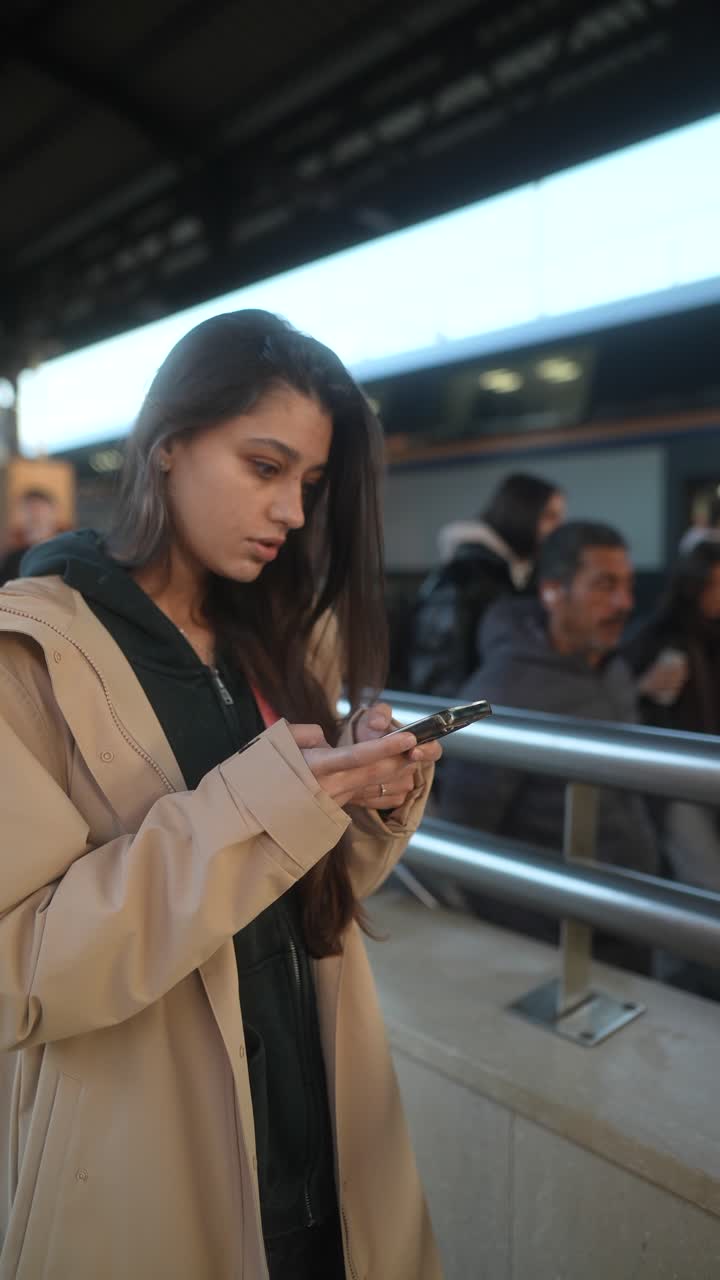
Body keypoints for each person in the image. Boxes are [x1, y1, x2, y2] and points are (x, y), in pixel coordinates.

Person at [0, 311, 443, 1280]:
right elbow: (21, 969)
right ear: (167, 448)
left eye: (310, 483)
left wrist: (360, 797)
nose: (291, 509)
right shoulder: (28, 652)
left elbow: (289, 889)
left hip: (323, 1144)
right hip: (152, 1169)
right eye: (264, 465)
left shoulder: (274, 639)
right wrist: (264, 803)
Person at [439, 521, 658, 884]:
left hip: (630, 907)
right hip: (551, 923)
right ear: (553, 592)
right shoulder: (501, 691)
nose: (625, 603)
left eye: (628, 586)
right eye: (605, 586)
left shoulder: (614, 669)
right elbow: (465, 827)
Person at [407, 472, 565, 696]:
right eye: (549, 516)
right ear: (522, 513)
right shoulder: (465, 574)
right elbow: (438, 667)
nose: (558, 528)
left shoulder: (524, 575)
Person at [623, 540, 720, 893]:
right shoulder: (658, 634)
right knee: (706, 877)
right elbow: (619, 699)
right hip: (674, 771)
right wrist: (643, 687)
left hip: (711, 762)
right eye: (714, 585)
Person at [0, 487, 60, 585]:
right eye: (28, 511)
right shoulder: (12, 558)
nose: (34, 516)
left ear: (53, 513)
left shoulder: (67, 554)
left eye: (39, 510)